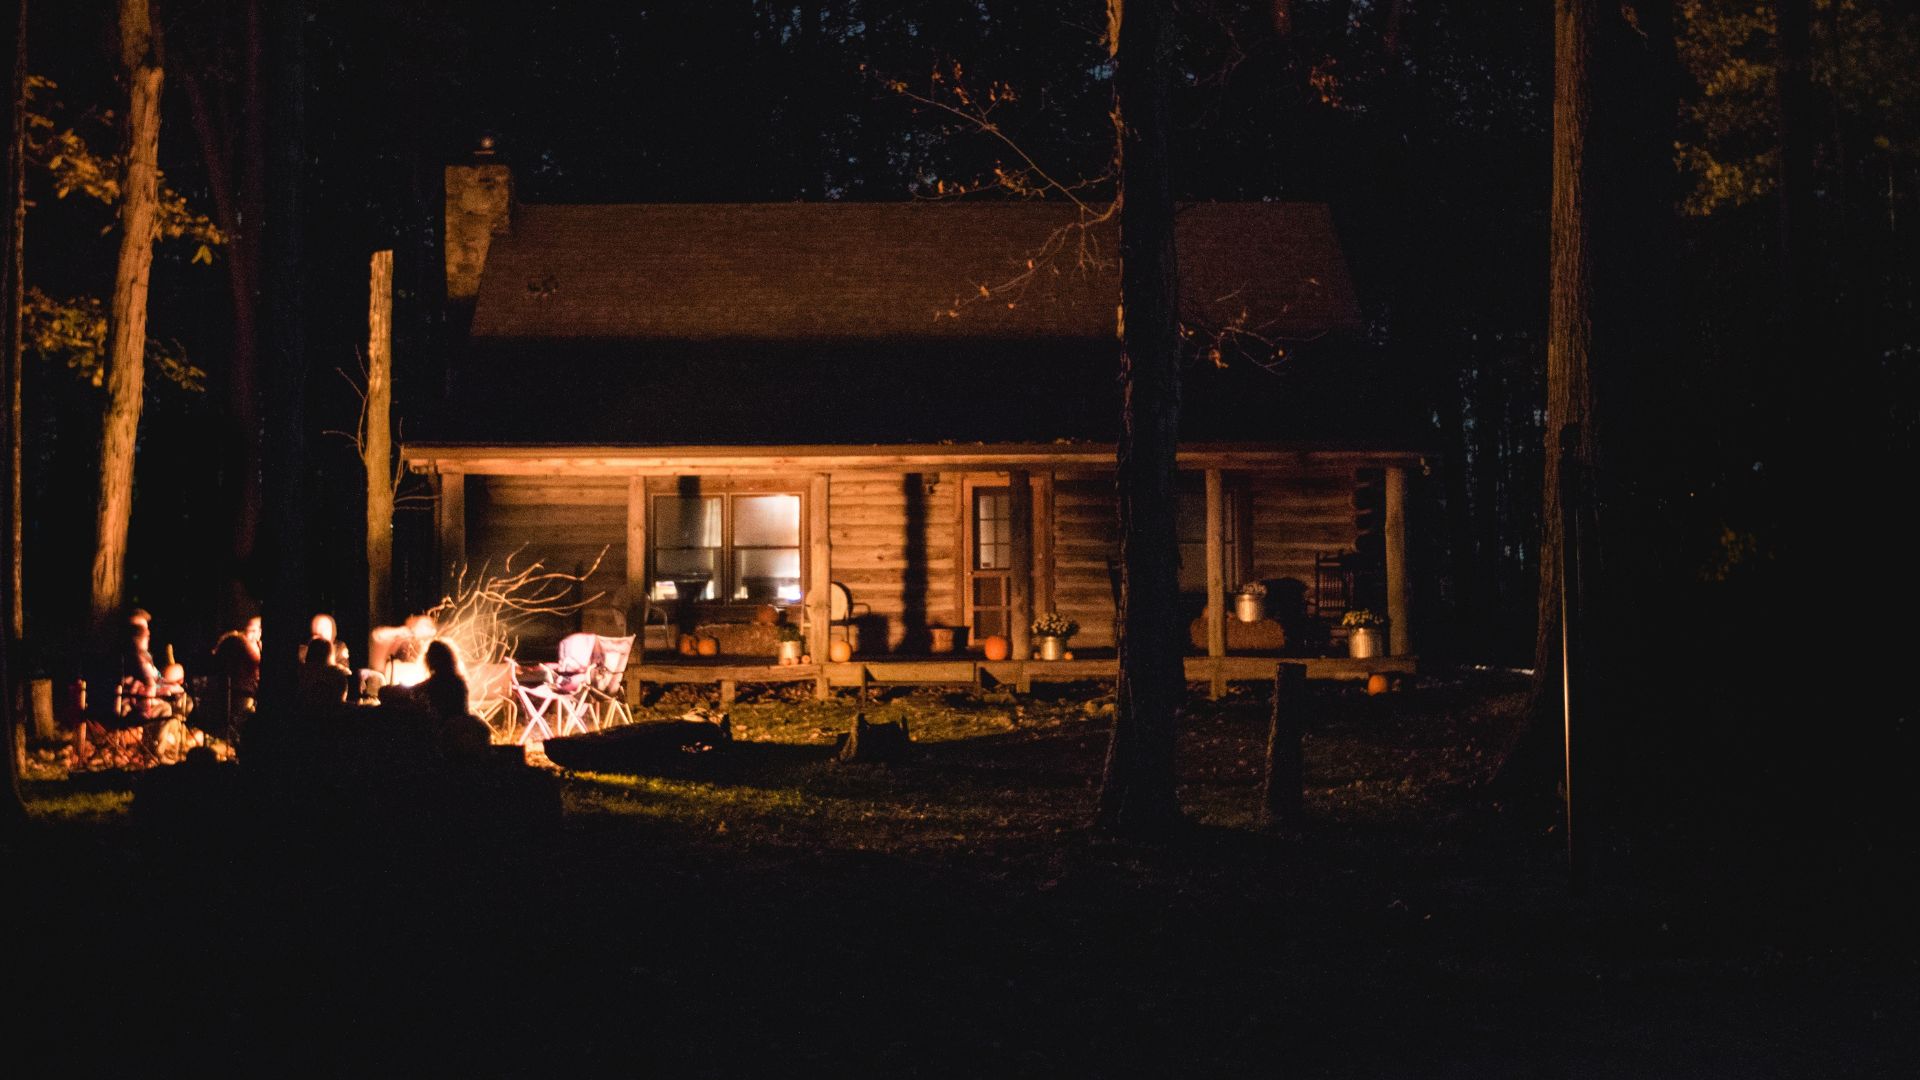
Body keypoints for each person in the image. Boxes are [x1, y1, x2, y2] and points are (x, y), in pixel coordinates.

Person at [418, 639, 490, 758]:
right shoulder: (458, 681)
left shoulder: (435, 683)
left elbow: (418, 690)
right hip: (462, 725)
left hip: (446, 730)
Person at [296, 636, 349, 713]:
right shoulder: (337, 675)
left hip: (304, 714)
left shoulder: (301, 672)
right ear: (331, 653)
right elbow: (341, 700)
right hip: (332, 715)